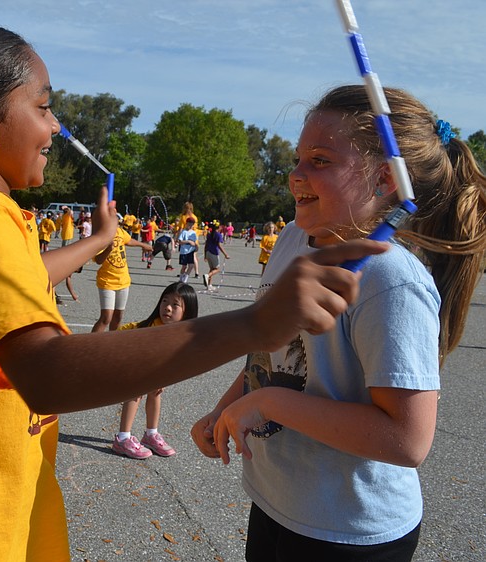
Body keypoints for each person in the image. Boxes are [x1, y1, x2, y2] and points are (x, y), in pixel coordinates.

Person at [0, 24, 385, 560]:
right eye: (43, 107)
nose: (56, 127)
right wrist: (255, 324)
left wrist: (101, 239)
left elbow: (17, 280)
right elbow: (46, 374)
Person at [190, 85, 486, 561]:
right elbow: (271, 353)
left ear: (385, 179)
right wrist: (229, 406)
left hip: (349, 531)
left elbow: (408, 439)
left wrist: (269, 403)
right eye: (297, 157)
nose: (294, 175)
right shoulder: (293, 239)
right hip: (277, 503)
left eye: (320, 161)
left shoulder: (389, 279)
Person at [112, 282, 198, 459]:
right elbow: (145, 359)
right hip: (129, 355)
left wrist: (163, 379)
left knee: (155, 393)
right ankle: (122, 439)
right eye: (164, 301)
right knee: (136, 392)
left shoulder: (182, 332)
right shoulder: (155, 329)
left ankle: (151, 434)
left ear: (187, 311)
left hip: (149, 365)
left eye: (175, 304)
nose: (167, 307)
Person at [90, 221, 152, 332]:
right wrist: (108, 249)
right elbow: (98, 260)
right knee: (106, 317)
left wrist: (143, 245)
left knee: (118, 316)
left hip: (123, 280)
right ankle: (91, 345)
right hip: (107, 281)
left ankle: (112, 343)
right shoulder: (101, 235)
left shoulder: (119, 231)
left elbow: (129, 240)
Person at [202, 220, 230, 289]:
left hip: (208, 252)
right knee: (217, 269)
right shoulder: (218, 235)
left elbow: (206, 245)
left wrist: (205, 255)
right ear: (219, 227)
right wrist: (225, 254)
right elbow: (219, 245)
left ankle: (209, 285)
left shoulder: (209, 234)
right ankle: (207, 275)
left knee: (211, 268)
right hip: (214, 253)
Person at [176, 217, 198, 283]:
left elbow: (195, 242)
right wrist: (188, 241)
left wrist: (196, 246)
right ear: (186, 224)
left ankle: (185, 278)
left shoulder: (193, 233)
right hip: (184, 251)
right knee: (184, 266)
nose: (190, 226)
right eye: (189, 224)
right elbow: (180, 242)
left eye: (191, 225)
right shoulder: (184, 232)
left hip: (191, 251)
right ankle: (181, 278)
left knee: (191, 266)